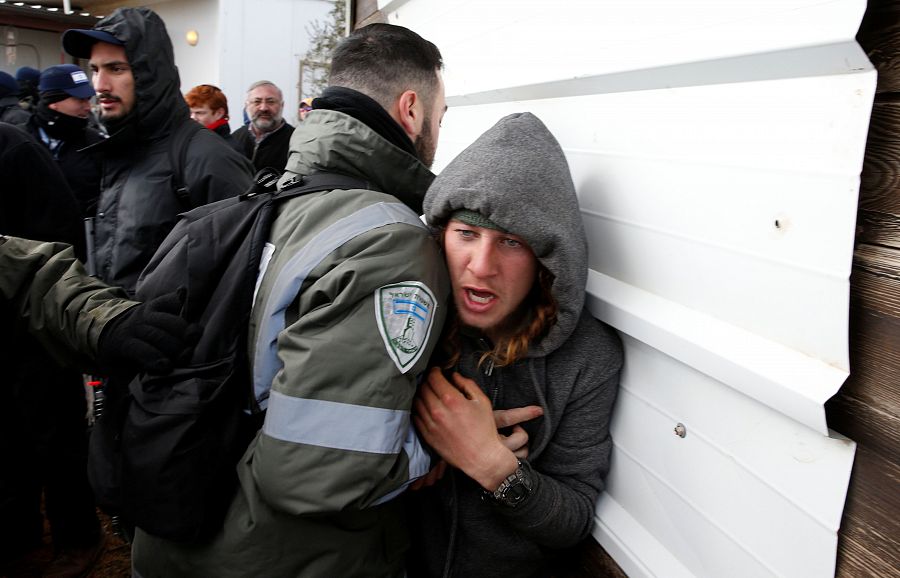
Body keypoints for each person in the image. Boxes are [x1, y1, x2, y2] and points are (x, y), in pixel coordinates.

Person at [132, 23, 449, 578]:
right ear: (411, 110)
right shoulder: (387, 242)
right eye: (442, 115)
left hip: (175, 536)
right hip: (276, 558)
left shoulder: (272, 196)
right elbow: (319, 470)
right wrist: (437, 450)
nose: (440, 131)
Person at [406, 112, 623, 578]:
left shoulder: (586, 358)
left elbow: (573, 519)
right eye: (466, 235)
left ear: (546, 258)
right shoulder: (408, 319)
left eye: (510, 242)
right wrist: (418, 446)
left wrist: (491, 464)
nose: (481, 266)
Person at [61, 6, 254, 296]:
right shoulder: (121, 150)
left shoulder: (207, 158)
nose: (100, 85)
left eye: (116, 69)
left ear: (150, 74)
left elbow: (242, 278)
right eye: (95, 70)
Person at [24, 64, 106, 217]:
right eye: (80, 100)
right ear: (53, 101)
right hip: (28, 240)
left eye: (88, 99)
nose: (88, 107)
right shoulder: (19, 141)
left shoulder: (96, 143)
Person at [231, 80, 294, 172]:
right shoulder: (235, 139)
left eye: (271, 102)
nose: (263, 108)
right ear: (247, 106)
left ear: (282, 105)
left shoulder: (296, 141)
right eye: (257, 102)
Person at [184, 83, 240, 151]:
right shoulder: (195, 139)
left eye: (199, 113)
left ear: (219, 113)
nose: (193, 117)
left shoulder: (226, 148)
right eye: (189, 113)